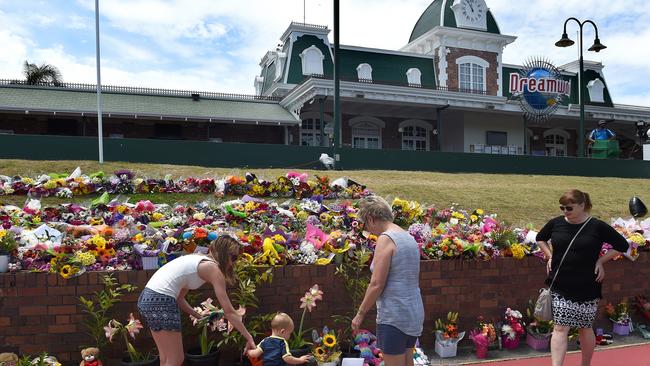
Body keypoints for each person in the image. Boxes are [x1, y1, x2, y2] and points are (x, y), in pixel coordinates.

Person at [536, 189, 628, 366]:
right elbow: (541, 238)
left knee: (585, 327)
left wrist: (601, 261)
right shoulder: (556, 223)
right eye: (562, 207)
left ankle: (585, 363)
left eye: (569, 208)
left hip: (587, 285)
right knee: (560, 327)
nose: (565, 211)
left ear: (582, 205)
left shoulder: (596, 226)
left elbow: (622, 245)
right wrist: (550, 256)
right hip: (561, 283)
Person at [137, 235, 256, 366]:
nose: (234, 262)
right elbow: (229, 312)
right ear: (223, 254)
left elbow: (180, 298)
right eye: (233, 258)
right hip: (161, 300)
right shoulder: (213, 269)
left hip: (148, 298)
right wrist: (249, 337)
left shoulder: (197, 260)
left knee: (166, 358)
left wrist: (197, 315)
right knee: (176, 359)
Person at [351, 196, 424, 366]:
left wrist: (360, 314)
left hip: (394, 314)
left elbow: (377, 283)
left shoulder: (386, 239)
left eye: (366, 225)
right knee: (407, 362)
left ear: (370, 218)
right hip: (413, 312)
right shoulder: (408, 237)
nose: (369, 230)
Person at [246, 313, 312, 366]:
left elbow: (255, 354)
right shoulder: (282, 342)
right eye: (289, 333)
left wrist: (248, 351)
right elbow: (287, 358)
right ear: (282, 331)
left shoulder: (265, 340)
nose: (289, 336)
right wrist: (300, 360)